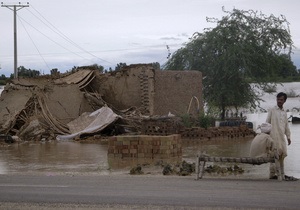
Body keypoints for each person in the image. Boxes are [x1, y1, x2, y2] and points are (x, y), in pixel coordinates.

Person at [266, 92, 297, 181]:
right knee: (274, 155)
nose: (279, 101)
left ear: (284, 101)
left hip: (281, 137)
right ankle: (273, 175)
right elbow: (267, 123)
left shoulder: (284, 112)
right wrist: (266, 136)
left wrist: (288, 137)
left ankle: (281, 174)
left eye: (281, 100)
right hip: (273, 136)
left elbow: (286, 126)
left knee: (282, 155)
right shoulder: (272, 110)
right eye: (278, 99)